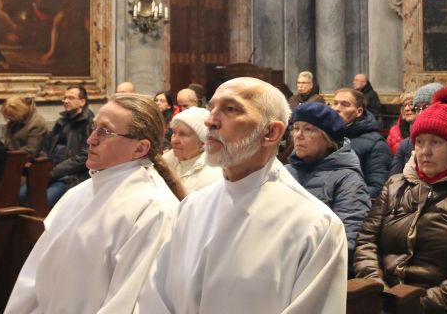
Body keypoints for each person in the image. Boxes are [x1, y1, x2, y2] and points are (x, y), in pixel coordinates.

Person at [136, 77, 347, 313]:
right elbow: (156, 299)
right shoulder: (192, 207)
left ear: (270, 132)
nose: (210, 120)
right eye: (211, 108)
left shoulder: (315, 226)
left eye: (230, 109)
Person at [5, 94, 185, 314]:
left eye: (105, 132)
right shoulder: (78, 193)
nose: (91, 139)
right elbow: (35, 275)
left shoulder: (154, 208)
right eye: (94, 128)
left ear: (140, 148)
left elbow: (127, 302)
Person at [354, 87, 447, 314]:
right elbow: (366, 241)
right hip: (385, 300)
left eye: (436, 143)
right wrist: (379, 292)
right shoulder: (395, 185)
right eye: (419, 142)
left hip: (442, 305)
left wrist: (422, 304)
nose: (424, 151)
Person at [286, 102, 369, 272]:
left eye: (309, 129)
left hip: (316, 270)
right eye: (296, 128)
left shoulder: (348, 180)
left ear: (328, 139)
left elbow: (347, 241)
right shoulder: (284, 172)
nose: (298, 135)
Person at [331, 88, 391, 199]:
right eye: (334, 103)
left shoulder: (376, 144)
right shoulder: (324, 136)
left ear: (359, 112)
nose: (336, 109)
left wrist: (339, 198)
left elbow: (377, 189)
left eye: (344, 104)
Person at [44, 85, 94, 205]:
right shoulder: (61, 121)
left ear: (82, 101)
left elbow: (84, 156)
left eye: (71, 98)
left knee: (44, 201)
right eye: (65, 98)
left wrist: (54, 171)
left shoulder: (90, 123)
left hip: (72, 177)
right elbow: (46, 147)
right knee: (22, 195)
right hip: (51, 173)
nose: (66, 101)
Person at [390, 82, 444, 176]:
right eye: (418, 108)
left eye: (426, 107)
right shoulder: (405, 144)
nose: (421, 113)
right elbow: (393, 181)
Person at [162, 106, 221, 193]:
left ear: (202, 142)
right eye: (174, 132)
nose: (174, 140)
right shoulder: (166, 161)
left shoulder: (213, 175)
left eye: (183, 134)